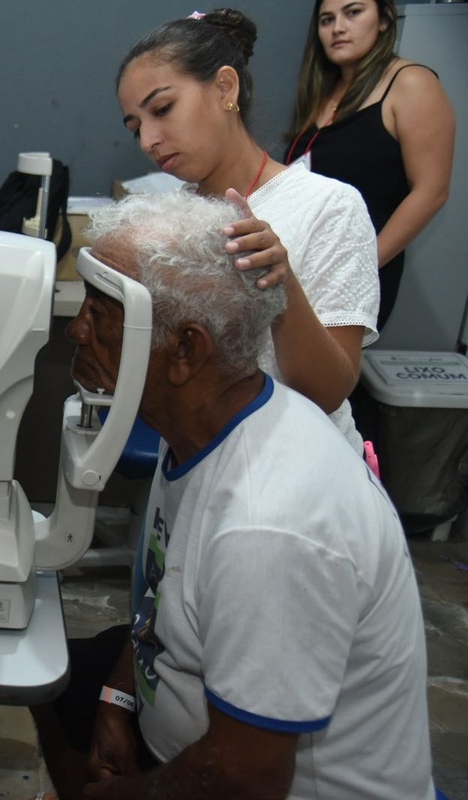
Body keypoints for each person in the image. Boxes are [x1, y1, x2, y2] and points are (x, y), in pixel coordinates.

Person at [31, 191, 434, 800]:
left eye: (101, 311)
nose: (77, 329)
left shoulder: (267, 526)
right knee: (48, 685)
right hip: (195, 729)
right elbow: (164, 598)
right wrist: (118, 698)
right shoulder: (202, 424)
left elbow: (243, 780)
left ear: (186, 351)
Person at [116, 8, 379, 454]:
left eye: (162, 109)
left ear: (224, 87)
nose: (148, 141)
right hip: (195, 459)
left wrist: (283, 286)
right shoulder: (171, 217)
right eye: (135, 127)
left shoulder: (328, 206)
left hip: (296, 465)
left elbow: (327, 391)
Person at [285, 0, 455, 330]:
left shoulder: (412, 83)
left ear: (384, 19)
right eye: (326, 19)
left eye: (353, 12)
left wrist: (362, 266)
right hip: (303, 269)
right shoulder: (324, 90)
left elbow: (431, 192)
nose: (337, 28)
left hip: (354, 274)